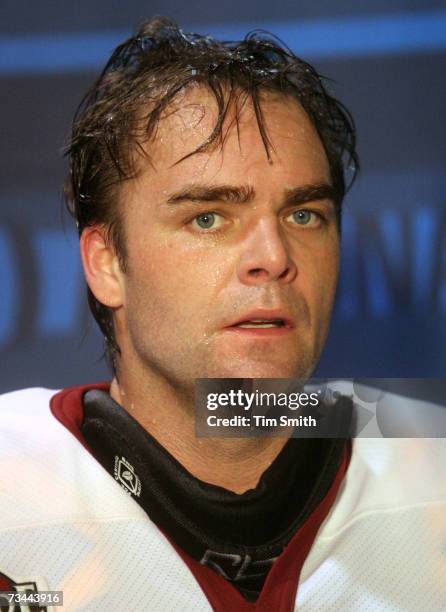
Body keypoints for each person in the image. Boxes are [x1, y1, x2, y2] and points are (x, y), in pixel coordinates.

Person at [0, 16, 444, 612]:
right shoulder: (11, 480)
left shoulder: (431, 468)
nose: (274, 257)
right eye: (208, 217)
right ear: (106, 261)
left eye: (304, 215)